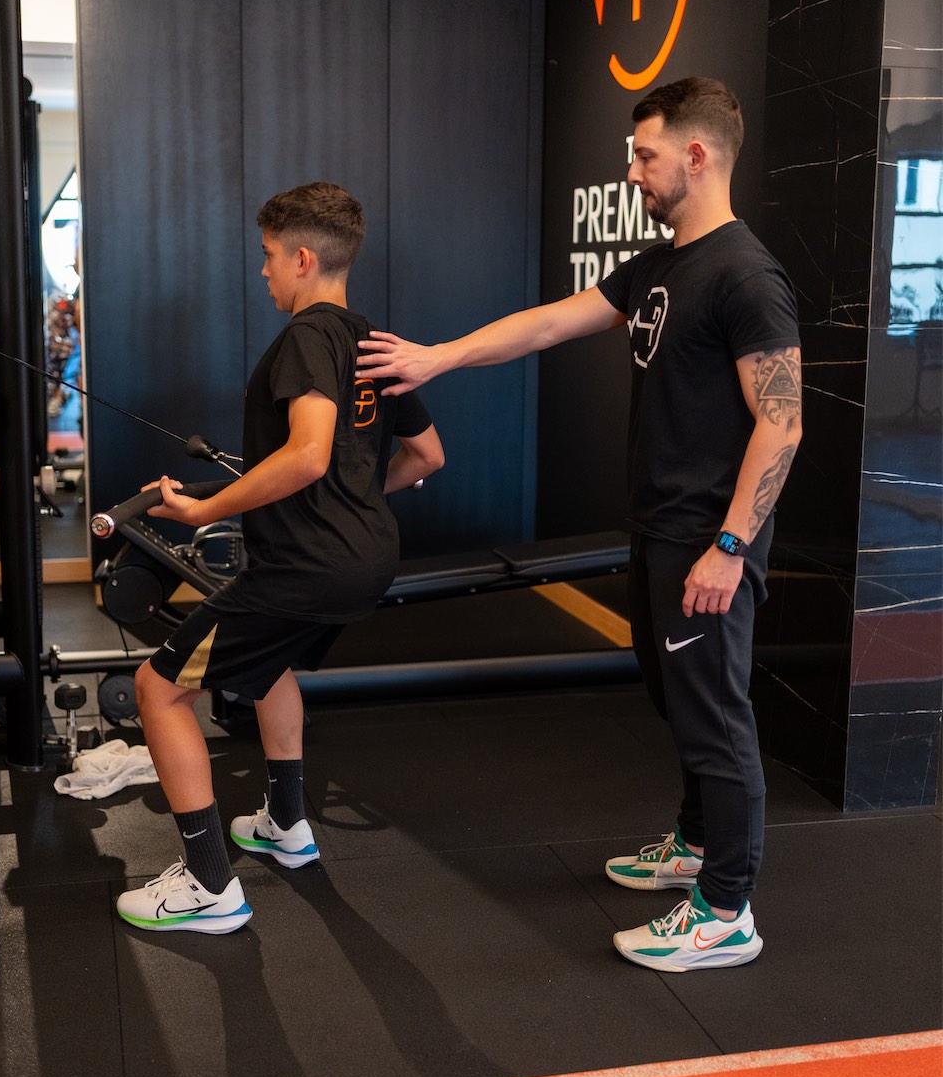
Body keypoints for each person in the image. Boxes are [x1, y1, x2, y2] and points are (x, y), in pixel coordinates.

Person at [357, 77, 802, 972]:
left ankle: (726, 910)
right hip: (660, 529)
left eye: (644, 155)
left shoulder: (746, 275)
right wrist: (439, 358)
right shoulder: (663, 264)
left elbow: (783, 422)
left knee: (716, 716)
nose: (632, 172)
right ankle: (694, 844)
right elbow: (550, 325)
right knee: (677, 700)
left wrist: (729, 546)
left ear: (697, 155)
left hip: (706, 540)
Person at [116, 182, 444, 935]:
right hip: (368, 558)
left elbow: (307, 455)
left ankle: (208, 885)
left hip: (307, 565)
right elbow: (427, 455)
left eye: (268, 256)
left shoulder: (305, 338)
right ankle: (286, 825)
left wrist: (203, 510)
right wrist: (356, 498)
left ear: (302, 259)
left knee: (157, 689)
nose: (262, 270)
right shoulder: (373, 340)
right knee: (270, 668)